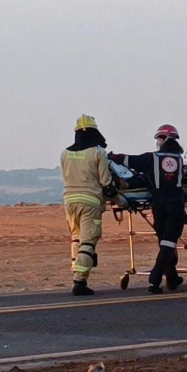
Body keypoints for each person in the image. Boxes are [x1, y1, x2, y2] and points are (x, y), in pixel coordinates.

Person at [109, 125, 186, 294]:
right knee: (168, 243)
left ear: (162, 139)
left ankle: (171, 278)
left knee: (165, 242)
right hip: (176, 204)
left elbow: (129, 160)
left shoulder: (152, 158)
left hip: (159, 205)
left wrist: (112, 157)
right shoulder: (179, 160)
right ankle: (155, 279)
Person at [61, 114, 118, 296]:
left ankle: (76, 273)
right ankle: (80, 282)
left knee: (76, 238)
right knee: (88, 241)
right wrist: (118, 198)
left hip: (69, 202)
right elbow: (106, 183)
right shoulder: (97, 153)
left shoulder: (65, 154)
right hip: (90, 201)